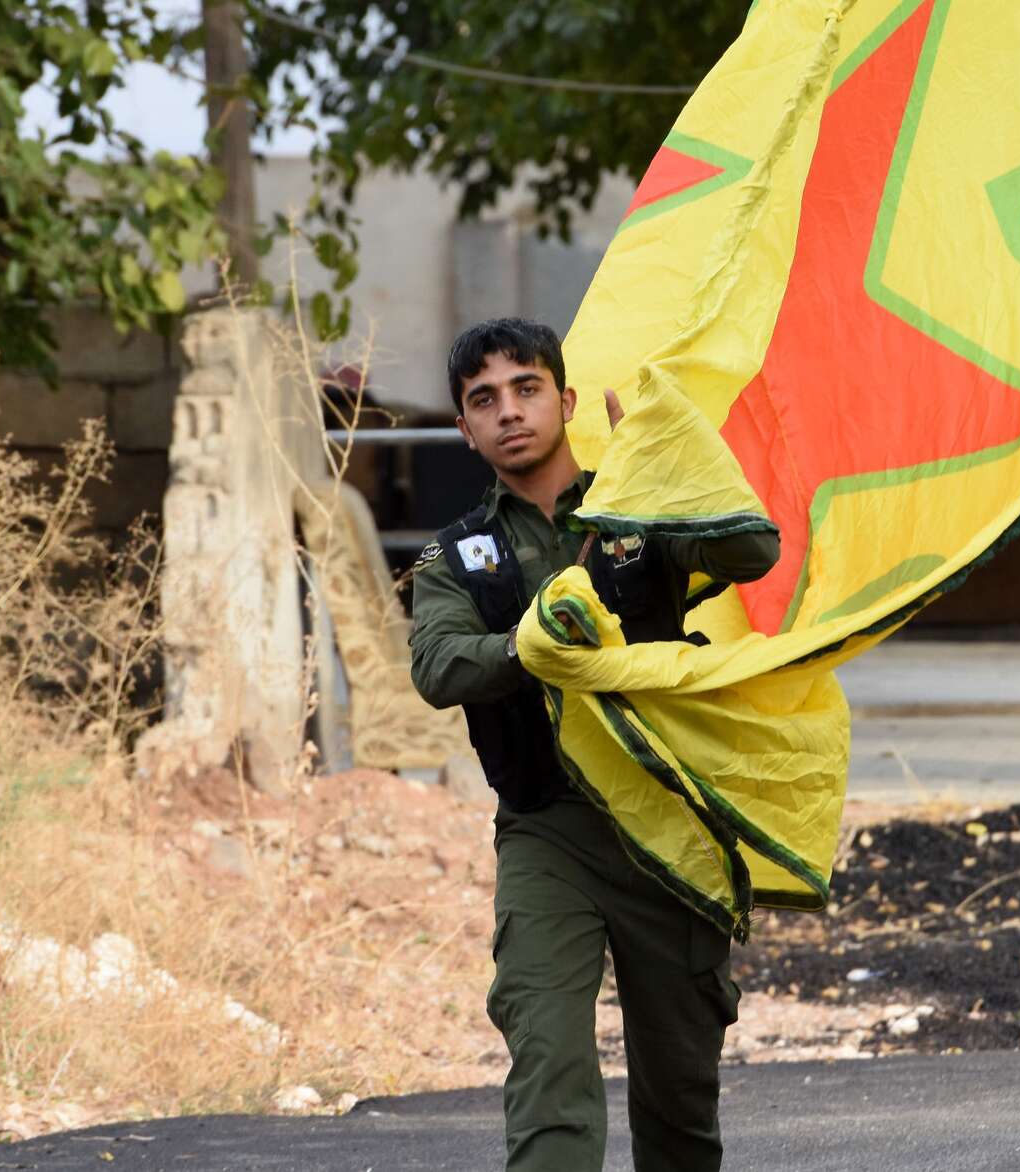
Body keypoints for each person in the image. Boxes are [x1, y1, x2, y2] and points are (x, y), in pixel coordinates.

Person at [408, 318, 780, 1171]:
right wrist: (528, 648)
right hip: (549, 834)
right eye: (484, 400)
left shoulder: (636, 507)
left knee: (681, 1102)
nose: (509, 412)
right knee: (549, 1071)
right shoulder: (457, 556)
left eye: (527, 388)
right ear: (464, 429)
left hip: (663, 831)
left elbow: (754, 549)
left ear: (566, 400)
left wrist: (670, 457)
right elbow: (437, 666)